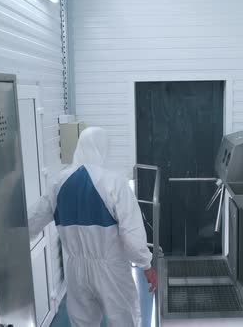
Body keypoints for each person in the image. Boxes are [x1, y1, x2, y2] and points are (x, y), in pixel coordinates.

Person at [31, 127, 157, 327]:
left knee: (82, 323)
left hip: (76, 269)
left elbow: (33, 221)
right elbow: (131, 237)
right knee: (123, 320)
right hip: (111, 269)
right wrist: (146, 265)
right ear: (103, 149)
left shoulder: (58, 183)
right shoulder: (114, 183)